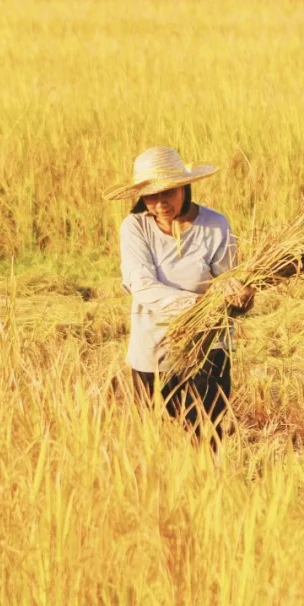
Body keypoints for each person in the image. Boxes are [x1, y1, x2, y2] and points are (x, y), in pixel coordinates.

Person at [104, 145, 253, 434]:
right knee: (159, 439)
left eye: (168, 193)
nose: (161, 203)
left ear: (185, 188)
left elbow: (228, 280)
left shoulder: (215, 225)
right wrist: (202, 305)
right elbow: (143, 286)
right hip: (154, 347)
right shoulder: (135, 228)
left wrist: (241, 298)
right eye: (152, 195)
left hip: (208, 346)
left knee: (205, 433)